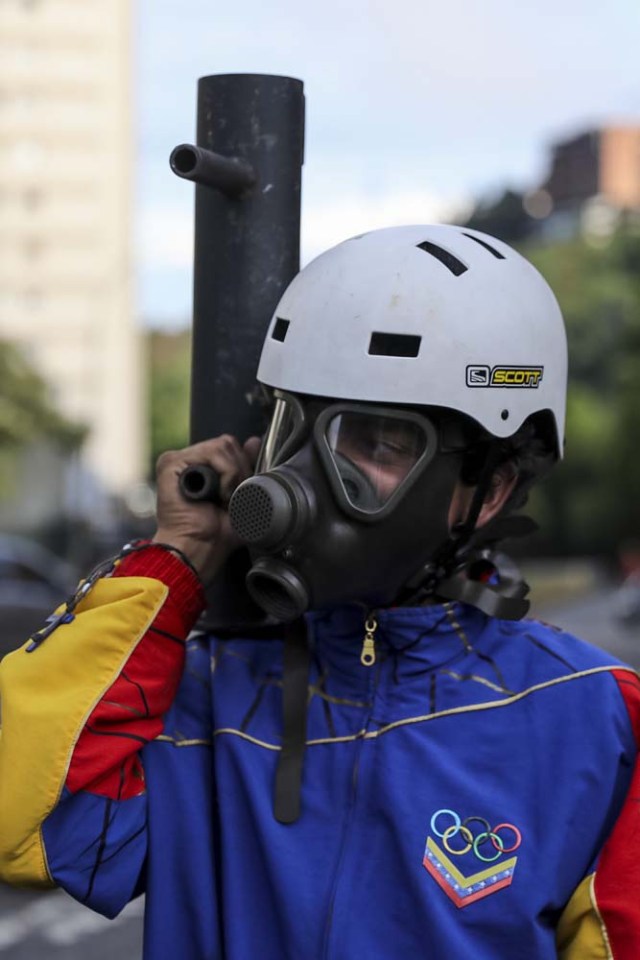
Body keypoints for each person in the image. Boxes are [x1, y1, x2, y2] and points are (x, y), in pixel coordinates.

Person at [1, 224, 639, 960]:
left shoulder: (590, 719)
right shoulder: (197, 699)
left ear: (487, 492)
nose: (302, 479)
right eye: (293, 429)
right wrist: (177, 558)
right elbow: (26, 825)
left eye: (378, 443)